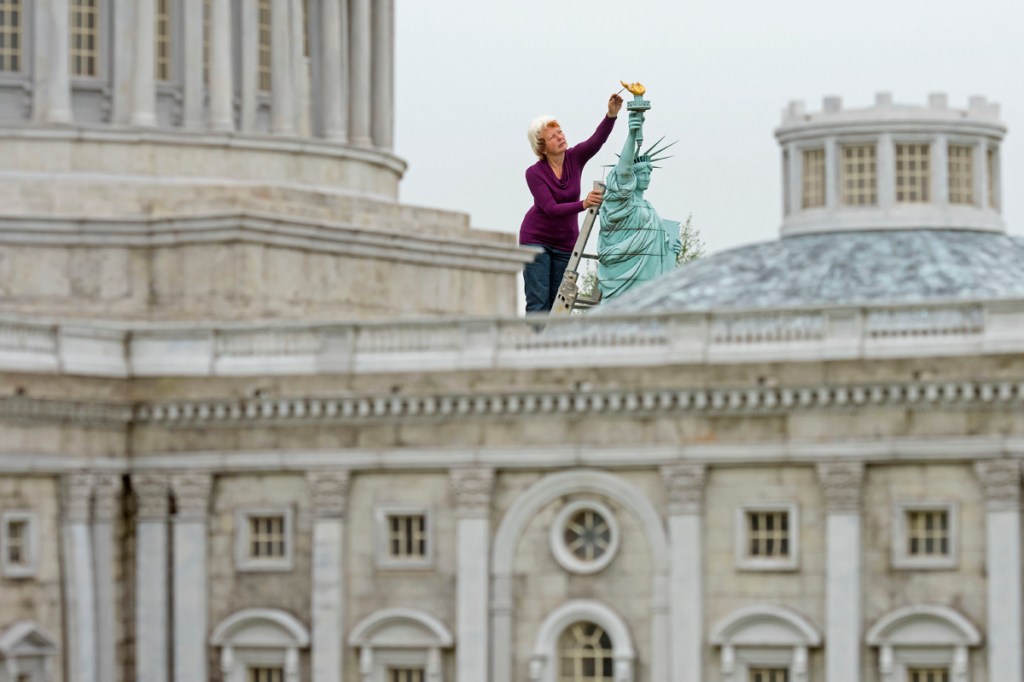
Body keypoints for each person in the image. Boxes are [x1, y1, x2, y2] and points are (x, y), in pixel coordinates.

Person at [520, 93, 623, 312]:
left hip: (565, 244)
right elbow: (550, 209)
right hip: (535, 240)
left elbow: (596, 141)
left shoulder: (575, 158)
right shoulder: (534, 173)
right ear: (542, 148)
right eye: (552, 137)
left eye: (560, 132)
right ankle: (531, 346)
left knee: (559, 306)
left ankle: (553, 346)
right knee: (539, 303)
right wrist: (583, 204)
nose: (559, 137)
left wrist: (611, 115)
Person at [597, 108, 680, 301]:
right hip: (623, 276)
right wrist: (632, 134)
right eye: (642, 172)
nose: (647, 177)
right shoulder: (623, 202)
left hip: (648, 281)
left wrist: (670, 249)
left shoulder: (650, 209)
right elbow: (623, 171)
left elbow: (659, 252)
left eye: (649, 173)